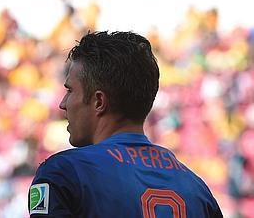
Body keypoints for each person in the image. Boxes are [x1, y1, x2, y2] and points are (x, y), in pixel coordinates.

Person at [28, 31, 223, 217]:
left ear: (99, 102)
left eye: (70, 91)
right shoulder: (197, 189)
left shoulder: (65, 172)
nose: (63, 104)